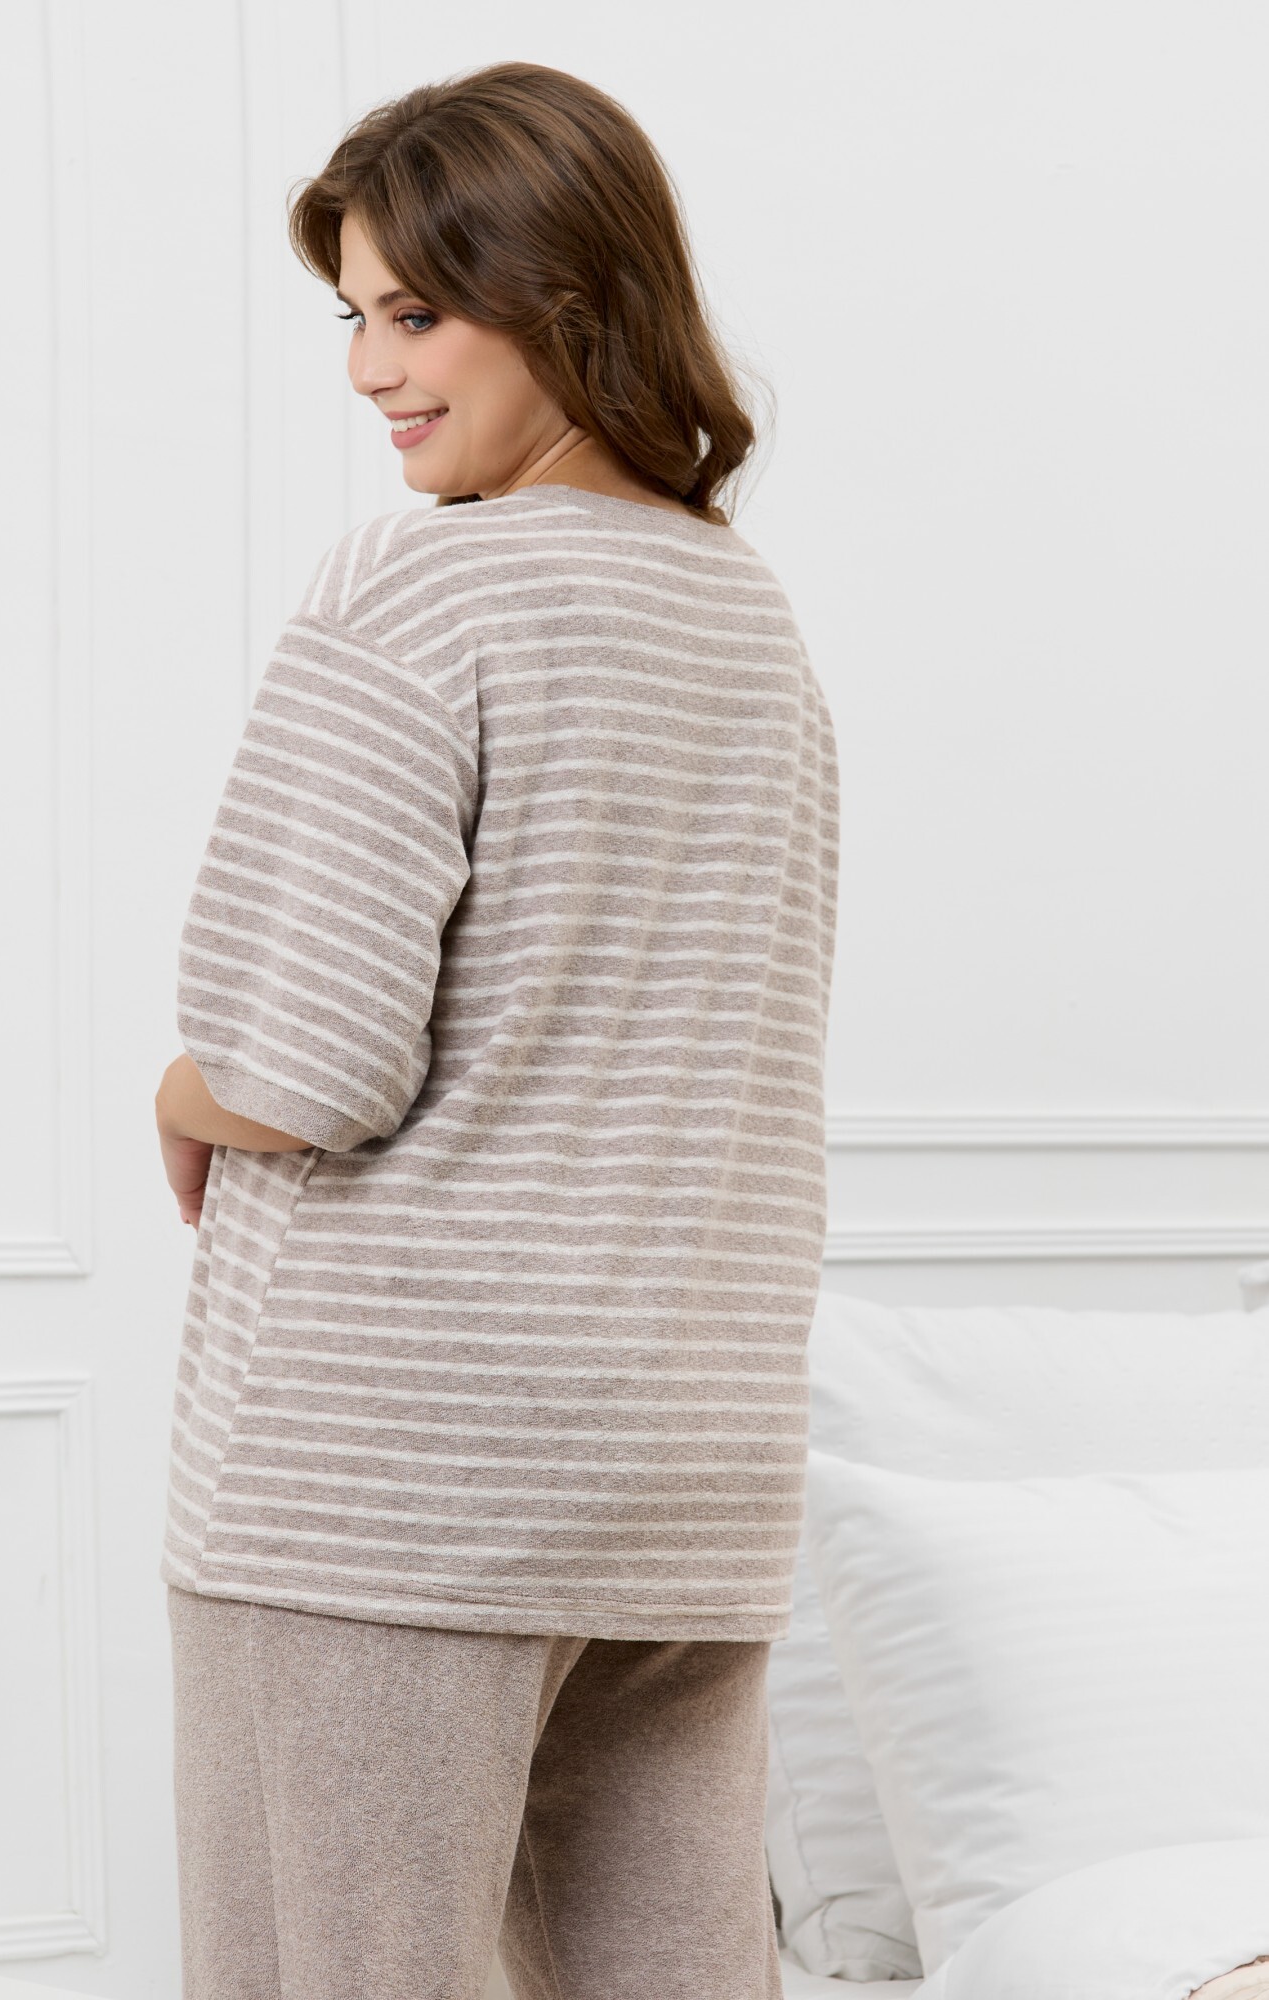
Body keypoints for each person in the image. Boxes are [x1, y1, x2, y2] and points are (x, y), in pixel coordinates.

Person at [153, 58, 840, 2000]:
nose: (372, 370)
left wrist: (186, 1085)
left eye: (419, 314)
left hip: (395, 1481)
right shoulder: (749, 618)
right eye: (354, 317)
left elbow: (304, 1065)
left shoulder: (428, 590)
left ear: (567, 298)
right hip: (684, 1474)